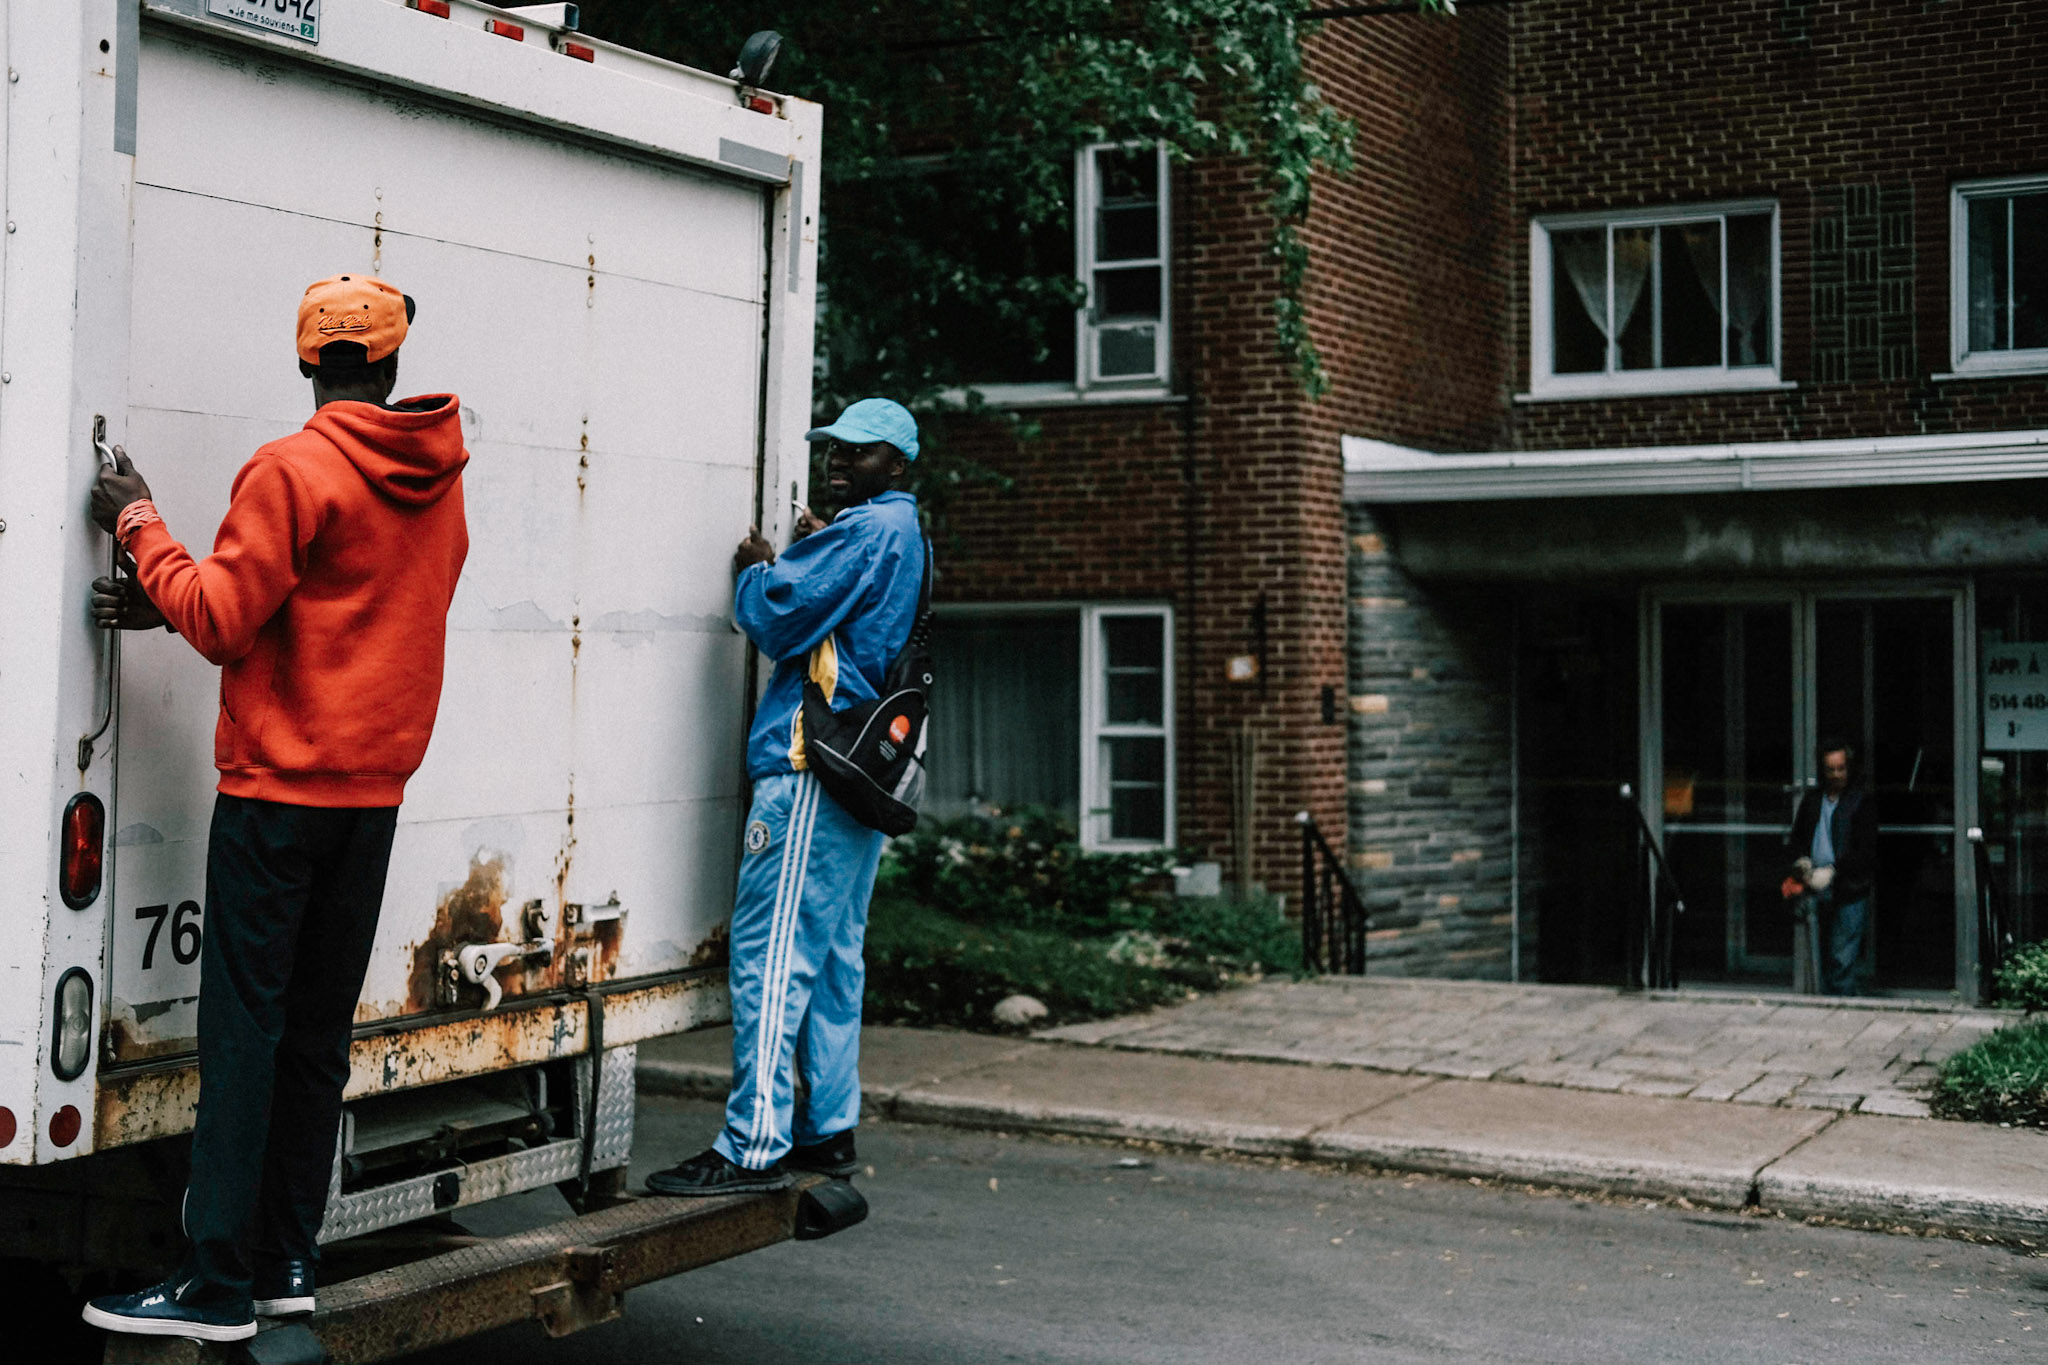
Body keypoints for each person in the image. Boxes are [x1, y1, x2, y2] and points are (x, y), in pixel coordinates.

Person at [80, 276, 469, 1342]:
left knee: (244, 1035)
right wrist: (184, 605)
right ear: (390, 367)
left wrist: (140, 524)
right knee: (313, 1038)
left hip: (275, 797)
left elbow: (220, 619)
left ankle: (213, 1283)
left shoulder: (290, 468)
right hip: (370, 800)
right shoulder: (439, 479)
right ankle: (287, 1261)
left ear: (308, 363)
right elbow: (354, 611)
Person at [646, 398, 926, 1196]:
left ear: (897, 465)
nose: (840, 462)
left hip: (811, 766)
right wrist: (815, 552)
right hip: (861, 776)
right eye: (833, 449)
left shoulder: (868, 530)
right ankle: (827, 1126)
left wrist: (759, 569)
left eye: (860, 452)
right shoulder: (903, 534)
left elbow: (776, 614)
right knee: (836, 958)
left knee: (771, 958)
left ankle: (751, 1143)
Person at [1786, 739, 1878, 996]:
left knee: (1841, 959)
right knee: (1817, 956)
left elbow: (1866, 852)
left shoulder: (1861, 802)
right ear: (1823, 770)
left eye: (1841, 768)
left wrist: (1835, 869)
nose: (1836, 775)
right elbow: (1797, 839)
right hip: (1815, 884)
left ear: (1849, 768)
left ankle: (1843, 1009)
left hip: (1850, 889)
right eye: (1831, 769)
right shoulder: (1813, 800)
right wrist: (1801, 862)